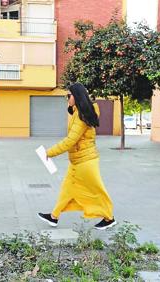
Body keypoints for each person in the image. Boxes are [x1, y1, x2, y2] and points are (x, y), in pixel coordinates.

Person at [37, 82, 116, 230]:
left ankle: (109, 218)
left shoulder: (81, 117)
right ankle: (54, 216)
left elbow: (70, 141)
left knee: (96, 191)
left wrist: (49, 153)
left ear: (76, 96)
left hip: (86, 162)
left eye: (69, 95)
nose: (67, 98)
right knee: (67, 189)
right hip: (78, 161)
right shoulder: (77, 112)